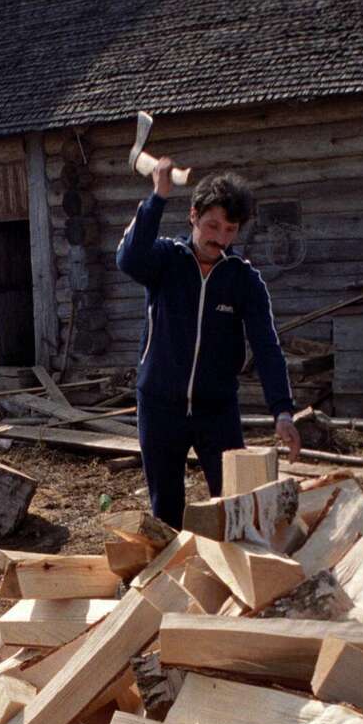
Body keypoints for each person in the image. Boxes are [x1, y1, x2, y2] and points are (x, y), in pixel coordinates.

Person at [117, 159, 301, 530]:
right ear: (193, 216)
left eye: (230, 230)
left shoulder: (243, 280)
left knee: (234, 506)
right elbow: (128, 259)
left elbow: (267, 346)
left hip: (216, 410)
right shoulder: (165, 260)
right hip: (160, 406)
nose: (220, 238)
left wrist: (282, 410)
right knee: (166, 511)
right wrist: (157, 197)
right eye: (212, 226)